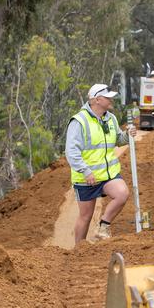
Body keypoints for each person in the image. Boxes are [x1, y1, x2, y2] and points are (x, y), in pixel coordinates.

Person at [65, 84, 136, 245]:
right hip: (86, 177)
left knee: (122, 193)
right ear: (97, 100)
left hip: (108, 175)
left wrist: (127, 135)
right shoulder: (79, 121)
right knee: (86, 215)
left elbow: (118, 140)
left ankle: (103, 225)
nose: (112, 99)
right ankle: (79, 249)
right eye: (108, 97)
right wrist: (86, 171)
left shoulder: (110, 118)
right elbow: (71, 152)